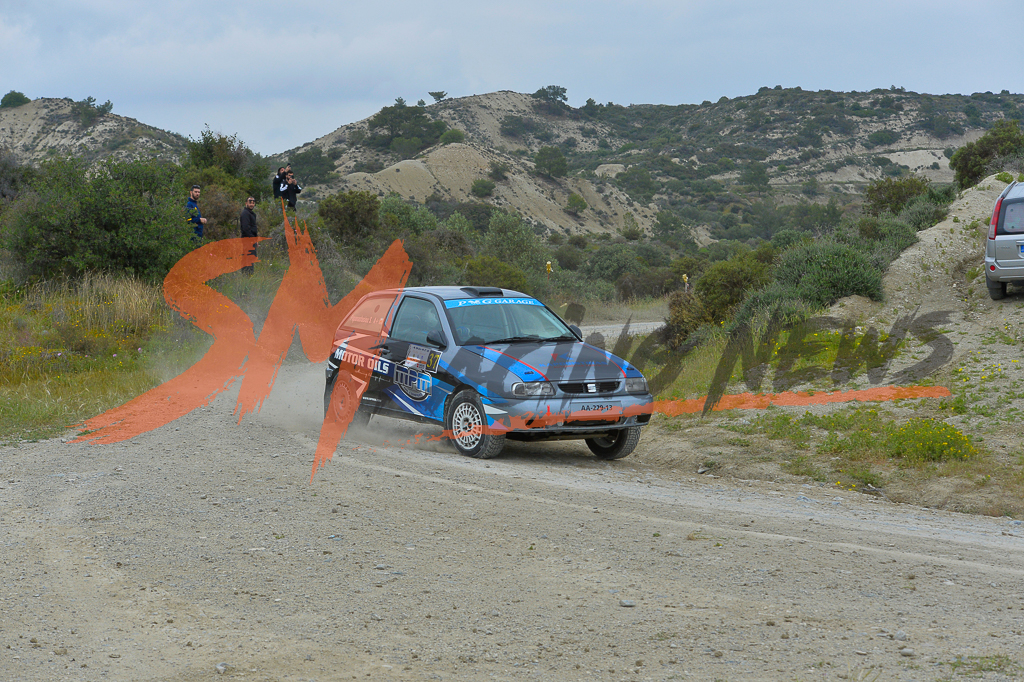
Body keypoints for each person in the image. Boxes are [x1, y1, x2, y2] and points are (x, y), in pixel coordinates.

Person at [239, 196, 258, 275]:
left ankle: (249, 276)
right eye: (250, 202)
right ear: (246, 203)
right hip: (247, 240)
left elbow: (253, 228)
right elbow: (245, 229)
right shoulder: (245, 214)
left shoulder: (251, 214)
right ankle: (247, 276)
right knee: (248, 258)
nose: (251, 204)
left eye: (253, 203)